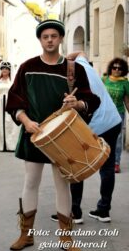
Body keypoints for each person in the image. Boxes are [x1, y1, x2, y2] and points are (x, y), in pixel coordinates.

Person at [6, 19, 100, 251]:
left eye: (54, 36)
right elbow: (14, 100)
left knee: (62, 185)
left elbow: (91, 99)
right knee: (30, 183)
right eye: (45, 36)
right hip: (34, 134)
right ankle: (26, 235)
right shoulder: (27, 66)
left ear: (60, 39)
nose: (49, 40)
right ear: (40, 39)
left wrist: (76, 102)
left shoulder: (73, 69)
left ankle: (66, 236)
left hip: (64, 136)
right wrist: (26, 122)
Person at [49, 52, 121, 224]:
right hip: (113, 120)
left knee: (76, 166)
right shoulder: (83, 63)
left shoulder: (70, 79)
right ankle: (104, 211)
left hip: (94, 126)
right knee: (108, 167)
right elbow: (80, 52)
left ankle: (75, 211)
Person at [102, 58, 129, 173]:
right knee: (104, 138)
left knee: (117, 139)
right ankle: (103, 160)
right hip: (105, 113)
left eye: (119, 68)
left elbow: (127, 101)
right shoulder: (104, 79)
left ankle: (116, 163)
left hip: (119, 114)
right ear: (111, 69)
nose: (117, 70)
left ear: (123, 70)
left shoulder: (125, 83)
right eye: (114, 67)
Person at [0, 61, 20, 151]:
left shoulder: (13, 82)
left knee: (10, 123)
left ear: (9, 71)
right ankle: (0, 145)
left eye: (7, 69)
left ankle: (11, 145)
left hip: (9, 103)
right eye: (3, 69)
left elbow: (16, 93)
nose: (5, 70)